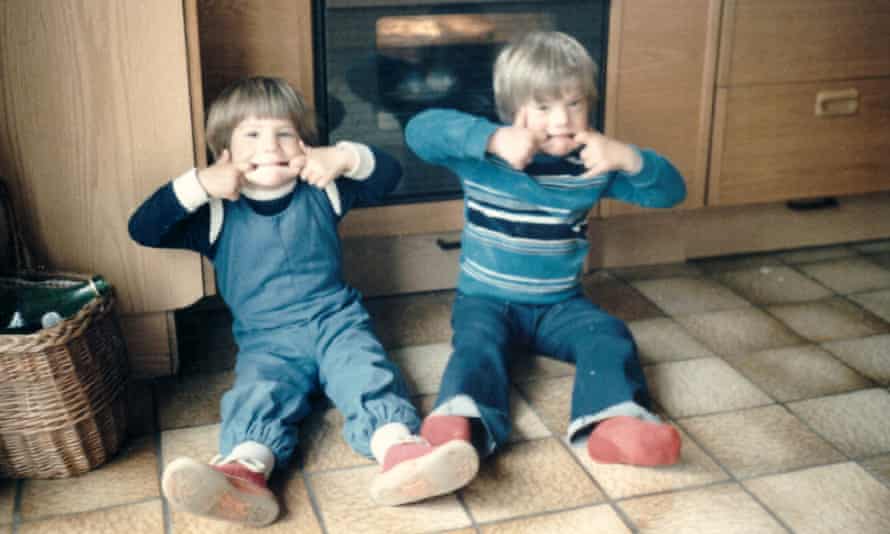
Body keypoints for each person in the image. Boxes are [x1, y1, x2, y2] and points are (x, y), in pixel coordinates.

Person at [128, 77, 477, 527]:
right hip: (267, 339)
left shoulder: (324, 188)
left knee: (365, 373)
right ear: (224, 154)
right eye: (251, 135)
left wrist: (346, 157)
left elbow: (389, 176)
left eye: (284, 134)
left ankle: (400, 453)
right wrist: (200, 183)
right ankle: (245, 470)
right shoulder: (215, 211)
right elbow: (144, 228)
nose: (269, 146)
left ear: (304, 146)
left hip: (337, 322)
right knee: (259, 393)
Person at [404, 31, 686, 492]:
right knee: (477, 350)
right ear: (512, 110)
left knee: (609, 335)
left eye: (574, 104)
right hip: (485, 301)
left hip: (559, 304)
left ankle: (611, 422)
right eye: (543, 107)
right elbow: (420, 131)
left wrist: (631, 158)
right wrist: (492, 139)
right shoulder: (482, 157)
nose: (562, 120)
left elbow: (671, 192)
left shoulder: (592, 166)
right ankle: (460, 426)